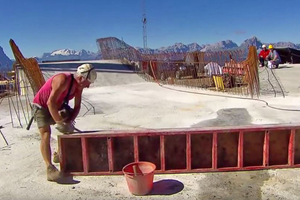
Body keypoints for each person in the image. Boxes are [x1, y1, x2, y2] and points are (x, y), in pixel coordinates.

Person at [32, 63, 97, 182]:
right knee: (46, 133)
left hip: (57, 106)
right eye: (87, 83)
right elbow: (50, 103)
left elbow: (77, 107)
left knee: (68, 127)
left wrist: (69, 122)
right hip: (41, 106)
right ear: (81, 78)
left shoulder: (78, 87)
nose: (87, 87)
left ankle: (59, 153)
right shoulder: (62, 79)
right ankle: (49, 168)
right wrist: (59, 122)